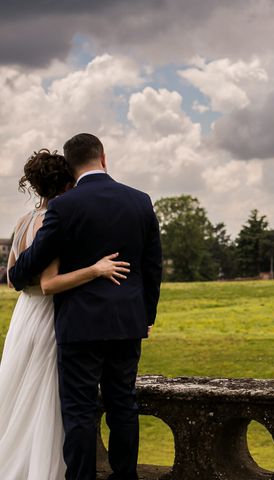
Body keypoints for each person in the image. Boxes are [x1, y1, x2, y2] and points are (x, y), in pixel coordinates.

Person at [10, 134, 163, 480]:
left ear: (70, 165)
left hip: (79, 326)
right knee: (123, 405)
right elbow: (153, 267)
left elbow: (28, 267)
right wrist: (147, 316)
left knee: (79, 411)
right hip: (127, 322)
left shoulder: (64, 206)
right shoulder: (140, 201)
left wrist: (19, 274)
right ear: (103, 158)